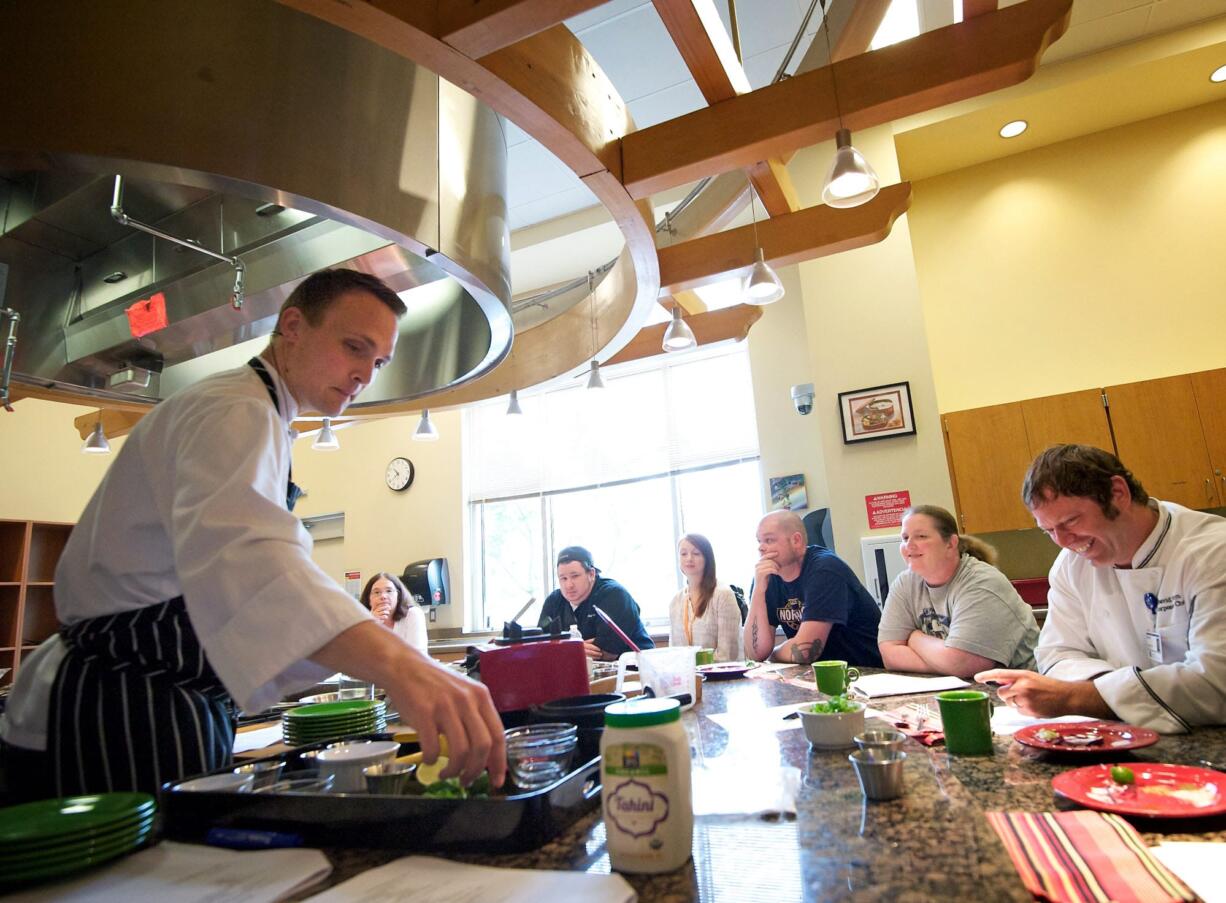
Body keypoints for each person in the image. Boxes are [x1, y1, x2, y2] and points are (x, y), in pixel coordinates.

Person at [0, 268, 505, 799]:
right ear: (292, 326)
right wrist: (406, 666)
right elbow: (255, 563)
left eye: (378, 362)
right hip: (122, 703)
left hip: (167, 696)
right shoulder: (233, 409)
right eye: (354, 347)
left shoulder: (264, 414)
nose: (365, 374)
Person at [977, 444, 1226, 733]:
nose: (1063, 541)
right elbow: (1057, 654)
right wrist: (1118, 694)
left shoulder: (1212, 552)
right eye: (1048, 531)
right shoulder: (1071, 566)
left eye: (1071, 520)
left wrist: (1078, 697)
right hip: (1126, 734)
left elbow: (1215, 683)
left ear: (1117, 493)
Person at [878, 505, 1038, 679]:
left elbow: (965, 664)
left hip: (1022, 692)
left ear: (951, 543)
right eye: (905, 538)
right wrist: (946, 661)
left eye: (921, 536)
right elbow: (889, 655)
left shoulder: (981, 582)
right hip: (953, 688)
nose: (909, 545)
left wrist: (915, 638)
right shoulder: (905, 583)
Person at [744, 511, 883, 667]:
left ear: (796, 540)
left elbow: (806, 651)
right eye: (759, 541)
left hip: (866, 672)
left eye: (769, 540)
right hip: (819, 675)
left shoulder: (825, 569)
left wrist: (773, 655)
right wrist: (758, 590)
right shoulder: (767, 577)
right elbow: (755, 654)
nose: (761, 548)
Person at [538, 546, 654, 660]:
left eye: (575, 576)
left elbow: (607, 653)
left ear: (591, 574)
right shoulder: (553, 601)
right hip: (581, 672)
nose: (569, 585)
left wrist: (561, 648)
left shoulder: (614, 595)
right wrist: (572, 649)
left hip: (633, 670)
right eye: (563, 578)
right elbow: (539, 646)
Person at [668, 534, 743, 663]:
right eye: (683, 554)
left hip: (722, 677)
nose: (689, 558)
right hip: (687, 678)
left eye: (696, 553)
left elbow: (727, 655)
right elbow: (674, 653)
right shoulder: (676, 601)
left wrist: (691, 664)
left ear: (707, 558)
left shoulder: (723, 595)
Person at [361, 572, 428, 652]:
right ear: (369, 599)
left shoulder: (413, 614)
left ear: (398, 596)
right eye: (377, 592)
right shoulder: (362, 621)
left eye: (389, 591)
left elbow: (417, 654)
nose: (383, 596)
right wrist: (371, 626)